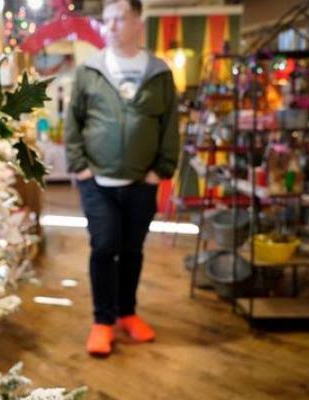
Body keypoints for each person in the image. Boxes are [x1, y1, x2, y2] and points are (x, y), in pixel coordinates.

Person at [64, 0, 179, 356]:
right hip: (97, 182)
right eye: (107, 19)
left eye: (119, 18)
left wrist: (161, 170)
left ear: (138, 23)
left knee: (132, 250)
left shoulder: (159, 73)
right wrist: (80, 168)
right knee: (103, 247)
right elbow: (73, 121)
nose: (110, 26)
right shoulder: (89, 71)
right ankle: (103, 321)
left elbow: (170, 124)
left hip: (142, 182)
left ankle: (127, 313)